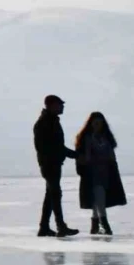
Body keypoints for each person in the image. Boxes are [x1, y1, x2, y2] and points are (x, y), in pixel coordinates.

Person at [33, 95, 79, 237]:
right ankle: (61, 226)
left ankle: (44, 227)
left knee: (51, 195)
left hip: (53, 163)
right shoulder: (44, 123)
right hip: (49, 164)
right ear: (52, 105)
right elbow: (53, 147)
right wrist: (76, 155)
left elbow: (57, 147)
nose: (62, 107)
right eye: (60, 104)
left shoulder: (51, 121)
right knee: (55, 193)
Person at [74, 112, 126, 235]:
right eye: (96, 123)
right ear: (91, 124)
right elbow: (83, 157)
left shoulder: (106, 138)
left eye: (100, 123)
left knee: (98, 199)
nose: (98, 125)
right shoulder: (86, 138)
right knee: (99, 197)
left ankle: (95, 223)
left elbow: (111, 156)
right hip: (92, 173)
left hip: (106, 172)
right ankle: (104, 223)